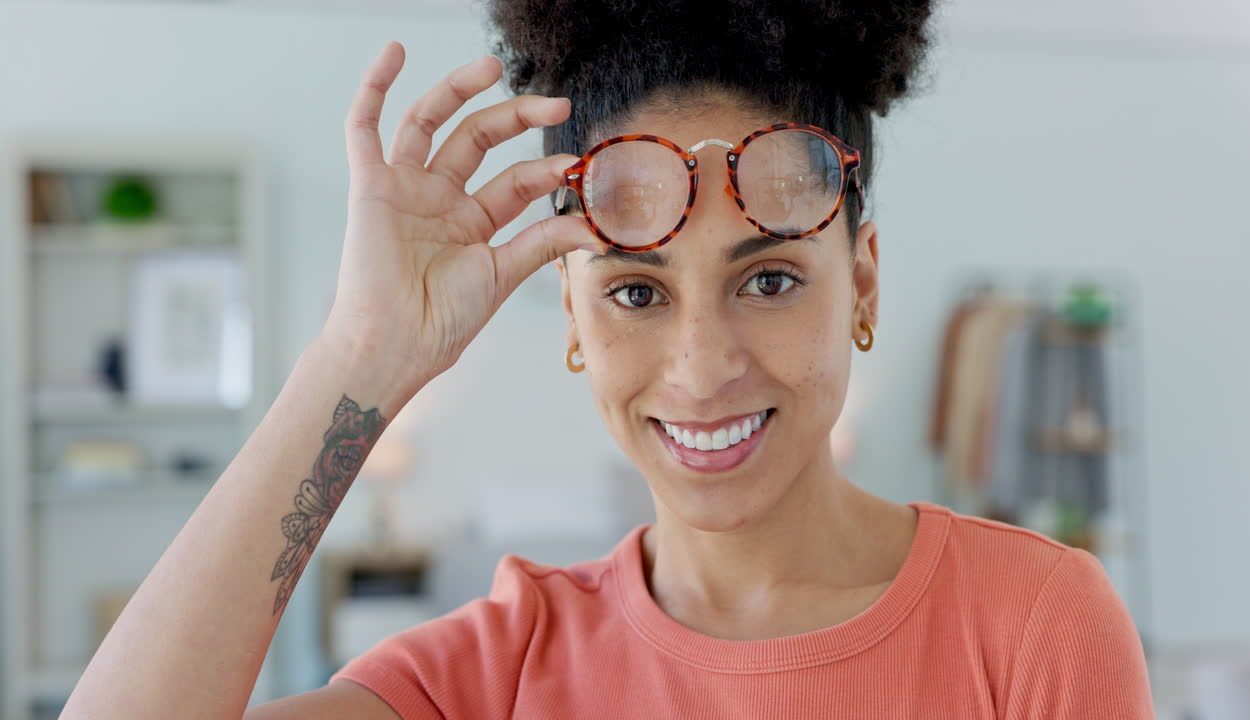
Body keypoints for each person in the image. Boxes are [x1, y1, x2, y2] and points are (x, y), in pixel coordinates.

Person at [63, 1, 1155, 718]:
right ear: (574, 323)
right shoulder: (489, 678)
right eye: (636, 291)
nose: (700, 366)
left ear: (859, 281)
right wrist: (362, 357)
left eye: (767, 279)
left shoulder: (1032, 624)